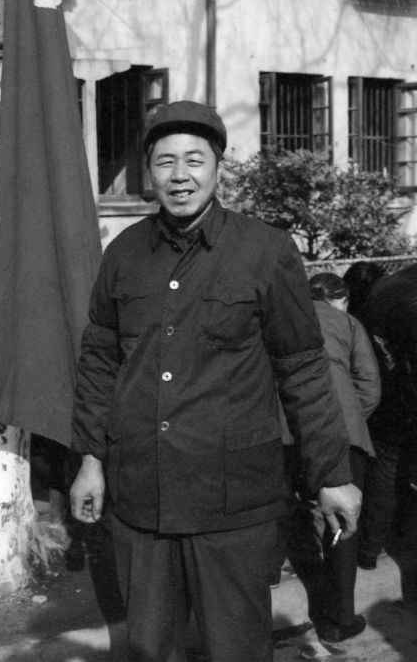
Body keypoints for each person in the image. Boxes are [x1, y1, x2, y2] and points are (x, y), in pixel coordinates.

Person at [69, 100, 361, 662]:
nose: (181, 176)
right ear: (148, 172)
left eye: (195, 160)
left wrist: (331, 474)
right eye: (166, 162)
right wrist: (89, 460)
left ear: (217, 166)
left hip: (234, 502)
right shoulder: (123, 254)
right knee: (152, 649)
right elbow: (100, 363)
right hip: (141, 500)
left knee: (237, 650)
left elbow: (303, 369)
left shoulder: (266, 250)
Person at [287, 272, 379, 643]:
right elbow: (370, 385)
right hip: (341, 429)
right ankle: (339, 617)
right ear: (339, 298)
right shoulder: (347, 322)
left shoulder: (281, 318)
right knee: (342, 521)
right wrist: (351, 420)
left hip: (285, 431)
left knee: (278, 513)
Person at [357, 263, 417, 569]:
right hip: (402, 397)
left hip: (386, 398)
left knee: (387, 471)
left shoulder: (388, 289)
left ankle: (370, 549)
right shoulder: (406, 293)